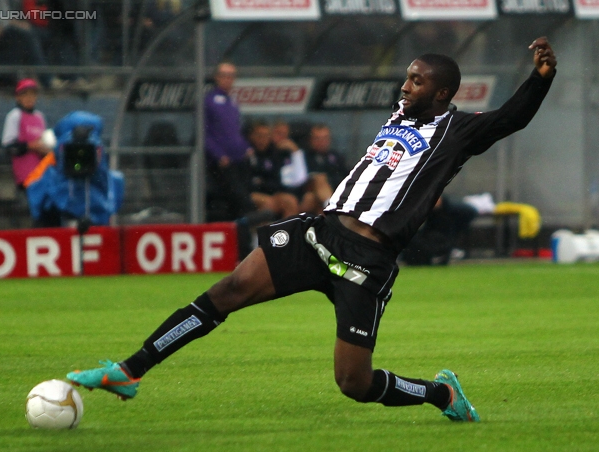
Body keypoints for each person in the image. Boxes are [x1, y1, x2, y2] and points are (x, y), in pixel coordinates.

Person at [68, 37, 557, 422]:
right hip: (318, 233)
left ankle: (440, 392)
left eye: (417, 80)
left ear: (443, 93)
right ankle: (129, 371)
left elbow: (511, 118)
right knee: (230, 288)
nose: (405, 86)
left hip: (367, 260)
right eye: (406, 77)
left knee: (354, 384)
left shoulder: (458, 132)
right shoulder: (400, 115)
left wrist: (539, 79)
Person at [2, 78, 59, 227]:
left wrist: (44, 149)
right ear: (18, 97)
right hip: (25, 174)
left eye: (32, 94)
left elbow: (44, 143)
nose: (29, 98)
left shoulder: (39, 117)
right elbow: (9, 146)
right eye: (25, 94)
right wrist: (31, 146)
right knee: (35, 211)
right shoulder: (15, 116)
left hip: (40, 173)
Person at [204, 61, 256, 221]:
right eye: (224, 75)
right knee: (239, 198)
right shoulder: (209, 101)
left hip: (239, 160)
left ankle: (245, 231)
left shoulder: (232, 101)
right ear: (217, 77)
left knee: (245, 193)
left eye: (231, 76)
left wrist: (246, 148)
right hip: (222, 163)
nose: (228, 79)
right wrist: (218, 155)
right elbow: (204, 133)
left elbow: (235, 130)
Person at [247, 120, 300, 219]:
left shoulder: (274, 154)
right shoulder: (246, 153)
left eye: (266, 136)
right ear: (252, 136)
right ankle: (262, 234)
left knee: (290, 200)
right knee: (268, 203)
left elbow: (278, 180)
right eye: (259, 135)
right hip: (251, 193)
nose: (262, 139)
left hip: (271, 192)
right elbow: (246, 182)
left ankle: (287, 233)